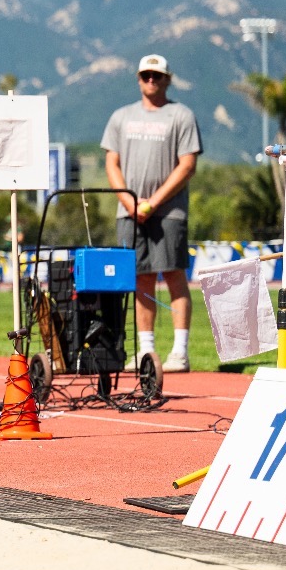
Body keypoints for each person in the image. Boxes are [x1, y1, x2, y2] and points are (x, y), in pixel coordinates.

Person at [102, 53, 202, 373]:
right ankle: (146, 352)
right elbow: (111, 163)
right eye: (146, 75)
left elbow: (187, 165)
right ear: (138, 78)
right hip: (128, 212)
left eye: (157, 76)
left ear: (167, 79)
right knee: (140, 279)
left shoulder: (181, 115)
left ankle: (180, 352)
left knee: (174, 276)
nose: (151, 80)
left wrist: (155, 201)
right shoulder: (120, 116)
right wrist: (128, 201)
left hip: (169, 212)